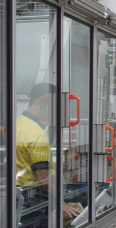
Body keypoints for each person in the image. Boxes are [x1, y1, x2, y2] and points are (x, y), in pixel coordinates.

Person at [16, 83, 81, 219]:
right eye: (50, 106)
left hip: (17, 195)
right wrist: (61, 204)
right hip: (34, 199)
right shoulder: (36, 133)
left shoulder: (17, 124)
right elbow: (43, 174)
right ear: (39, 103)